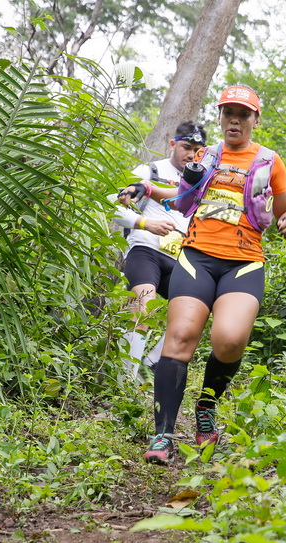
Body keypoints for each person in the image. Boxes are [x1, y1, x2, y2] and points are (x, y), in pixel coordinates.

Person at [117, 84, 286, 464]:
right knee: (180, 336)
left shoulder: (269, 161)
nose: (235, 119)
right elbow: (179, 196)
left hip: (244, 262)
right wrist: (146, 187)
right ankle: (163, 435)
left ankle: (206, 407)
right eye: (228, 112)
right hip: (196, 256)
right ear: (219, 117)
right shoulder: (206, 156)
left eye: (243, 114)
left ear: (255, 119)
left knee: (229, 340)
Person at [113, 121, 208, 382]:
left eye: (197, 151)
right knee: (144, 308)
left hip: (180, 258)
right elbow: (113, 204)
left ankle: (146, 368)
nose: (190, 155)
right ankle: (123, 384)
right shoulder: (150, 170)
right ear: (173, 144)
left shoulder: (203, 181)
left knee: (196, 311)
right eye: (186, 147)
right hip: (145, 250)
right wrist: (144, 223)